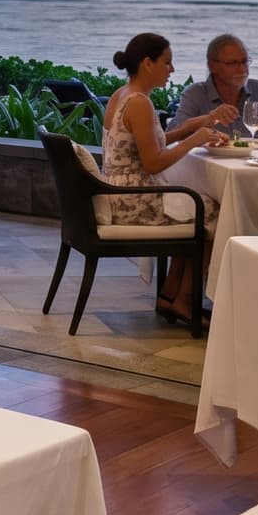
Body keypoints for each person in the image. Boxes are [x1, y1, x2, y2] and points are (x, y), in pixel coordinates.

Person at [100, 33, 228, 320]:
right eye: (167, 63)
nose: (172, 70)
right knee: (213, 212)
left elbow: (148, 144)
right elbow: (154, 162)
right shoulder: (140, 104)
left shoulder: (123, 95)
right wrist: (194, 141)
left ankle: (169, 295)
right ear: (148, 63)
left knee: (195, 208)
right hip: (132, 200)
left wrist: (192, 127)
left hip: (116, 191)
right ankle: (185, 299)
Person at [171, 34, 258, 133]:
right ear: (212, 66)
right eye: (232, 63)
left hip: (254, 155)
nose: (242, 69)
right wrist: (209, 119)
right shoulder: (196, 94)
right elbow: (172, 135)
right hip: (207, 155)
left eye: (245, 61)